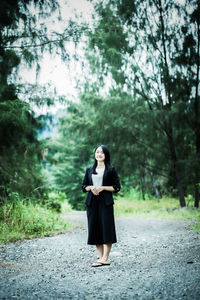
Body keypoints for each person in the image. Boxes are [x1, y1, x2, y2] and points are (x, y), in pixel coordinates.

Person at [82, 145, 120, 267]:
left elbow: (117, 187)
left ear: (106, 155)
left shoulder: (111, 169)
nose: (99, 154)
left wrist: (103, 187)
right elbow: (83, 187)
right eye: (97, 152)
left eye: (102, 153)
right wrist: (91, 187)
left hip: (106, 202)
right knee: (95, 229)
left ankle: (105, 258)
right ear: (95, 154)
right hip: (92, 203)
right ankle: (100, 257)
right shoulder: (89, 169)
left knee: (107, 229)